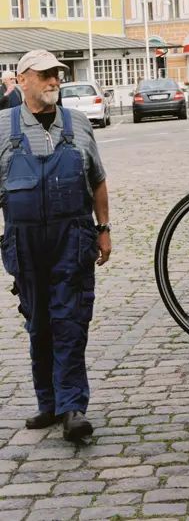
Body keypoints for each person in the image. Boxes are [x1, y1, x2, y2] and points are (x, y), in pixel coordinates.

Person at [0, 50, 111, 441]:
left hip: (72, 239)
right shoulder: (2, 127)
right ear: (23, 79)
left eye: (58, 76)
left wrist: (104, 228)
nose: (54, 82)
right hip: (24, 242)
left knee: (69, 322)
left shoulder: (78, 124)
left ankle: (72, 407)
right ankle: (48, 403)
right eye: (45, 75)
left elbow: (97, 179)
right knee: (38, 322)